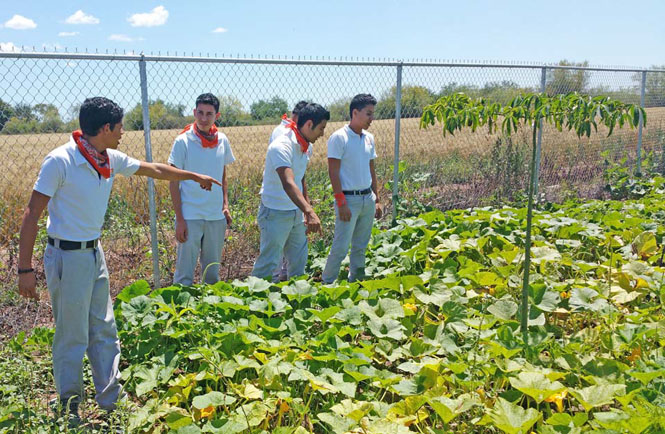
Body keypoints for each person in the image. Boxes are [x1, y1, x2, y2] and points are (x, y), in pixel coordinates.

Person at [17, 97, 221, 426]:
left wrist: (193, 175)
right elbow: (32, 215)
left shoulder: (107, 158)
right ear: (106, 128)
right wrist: (25, 269)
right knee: (72, 335)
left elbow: (154, 169)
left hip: (93, 254)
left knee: (105, 329)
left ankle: (111, 399)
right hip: (66, 257)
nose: (124, 132)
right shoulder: (61, 161)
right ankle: (69, 406)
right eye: (120, 126)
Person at [251, 103, 330, 281]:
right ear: (309, 124)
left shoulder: (306, 146)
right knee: (269, 265)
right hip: (275, 211)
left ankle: (295, 302)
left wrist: (305, 209)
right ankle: (257, 304)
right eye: (321, 128)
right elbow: (288, 182)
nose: (322, 133)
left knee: (298, 262)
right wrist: (308, 211)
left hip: (295, 210)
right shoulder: (281, 145)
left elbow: (300, 177)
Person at [169, 93, 235, 286]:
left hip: (215, 216)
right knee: (184, 275)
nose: (204, 119)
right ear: (194, 112)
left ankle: (209, 311)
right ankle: (182, 311)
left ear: (217, 115)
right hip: (190, 215)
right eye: (200, 113)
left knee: (212, 273)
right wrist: (180, 219)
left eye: (209, 114)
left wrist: (225, 205)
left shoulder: (222, 140)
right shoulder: (183, 141)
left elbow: (222, 174)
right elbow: (173, 181)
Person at [321, 94, 382, 284]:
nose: (371, 119)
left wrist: (377, 199)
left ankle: (356, 282)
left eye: (372, 114)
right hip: (348, 200)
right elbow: (333, 172)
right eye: (368, 114)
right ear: (355, 113)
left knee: (361, 246)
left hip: (367, 198)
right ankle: (327, 284)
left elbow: (371, 169)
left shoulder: (369, 138)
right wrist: (341, 202)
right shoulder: (339, 137)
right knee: (340, 247)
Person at [269, 100, 309, 282]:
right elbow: (287, 178)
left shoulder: (304, 139)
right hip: (278, 204)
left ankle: (290, 294)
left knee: (295, 254)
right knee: (272, 259)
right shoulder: (282, 134)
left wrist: (305, 203)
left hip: (294, 206)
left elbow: (301, 174)